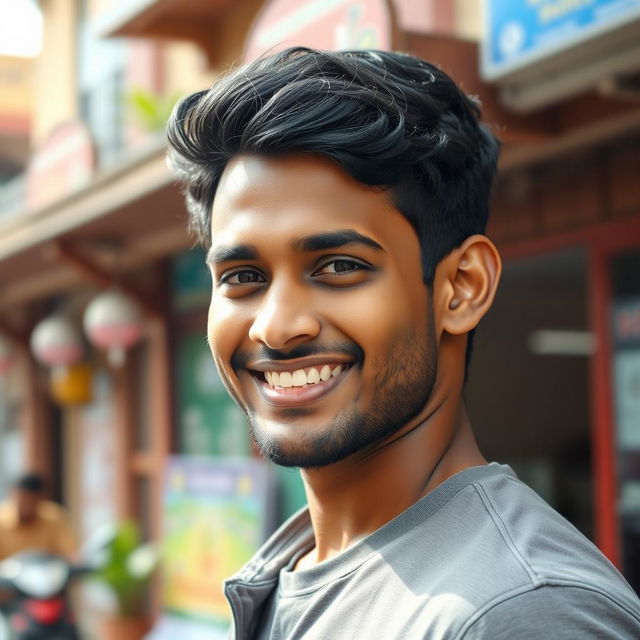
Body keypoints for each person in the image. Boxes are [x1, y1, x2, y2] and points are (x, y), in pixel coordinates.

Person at [166, 47, 640, 638]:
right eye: (243, 278)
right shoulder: (296, 567)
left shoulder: (519, 612)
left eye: (338, 267)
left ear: (461, 288)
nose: (276, 327)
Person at [0, 472, 76, 561]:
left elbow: (69, 552)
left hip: (47, 571)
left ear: (40, 498)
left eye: (31, 500)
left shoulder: (53, 516)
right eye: (22, 499)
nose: (26, 505)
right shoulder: (2, 520)